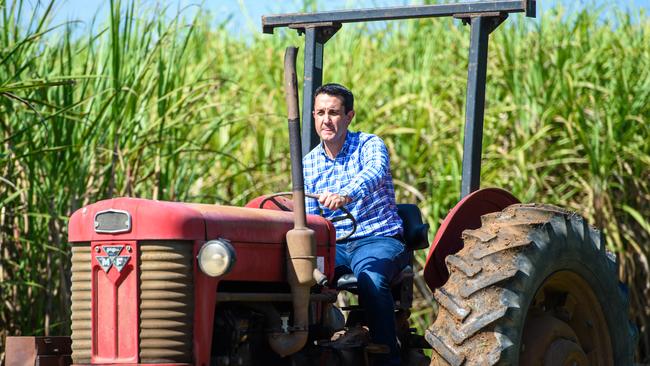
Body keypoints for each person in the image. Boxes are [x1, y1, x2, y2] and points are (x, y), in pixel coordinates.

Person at [303, 83, 409, 365]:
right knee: (299, 278)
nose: (326, 120)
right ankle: (309, 349)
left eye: (334, 113)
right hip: (335, 245)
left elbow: (374, 172)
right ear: (313, 116)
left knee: (370, 279)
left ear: (349, 116)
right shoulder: (308, 164)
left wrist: (345, 194)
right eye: (321, 112)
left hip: (377, 238)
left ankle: (388, 357)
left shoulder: (368, 145)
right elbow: (312, 221)